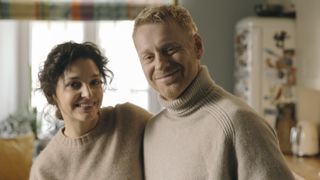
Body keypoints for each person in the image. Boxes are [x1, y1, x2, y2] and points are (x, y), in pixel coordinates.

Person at [132, 5, 294, 180]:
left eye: (170, 49)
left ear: (197, 46)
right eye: (148, 57)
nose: (160, 64)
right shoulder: (152, 130)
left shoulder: (239, 123)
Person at [29, 41, 152, 180]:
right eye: (74, 85)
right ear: (52, 94)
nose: (88, 94)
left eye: (95, 82)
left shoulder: (129, 119)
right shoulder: (43, 170)